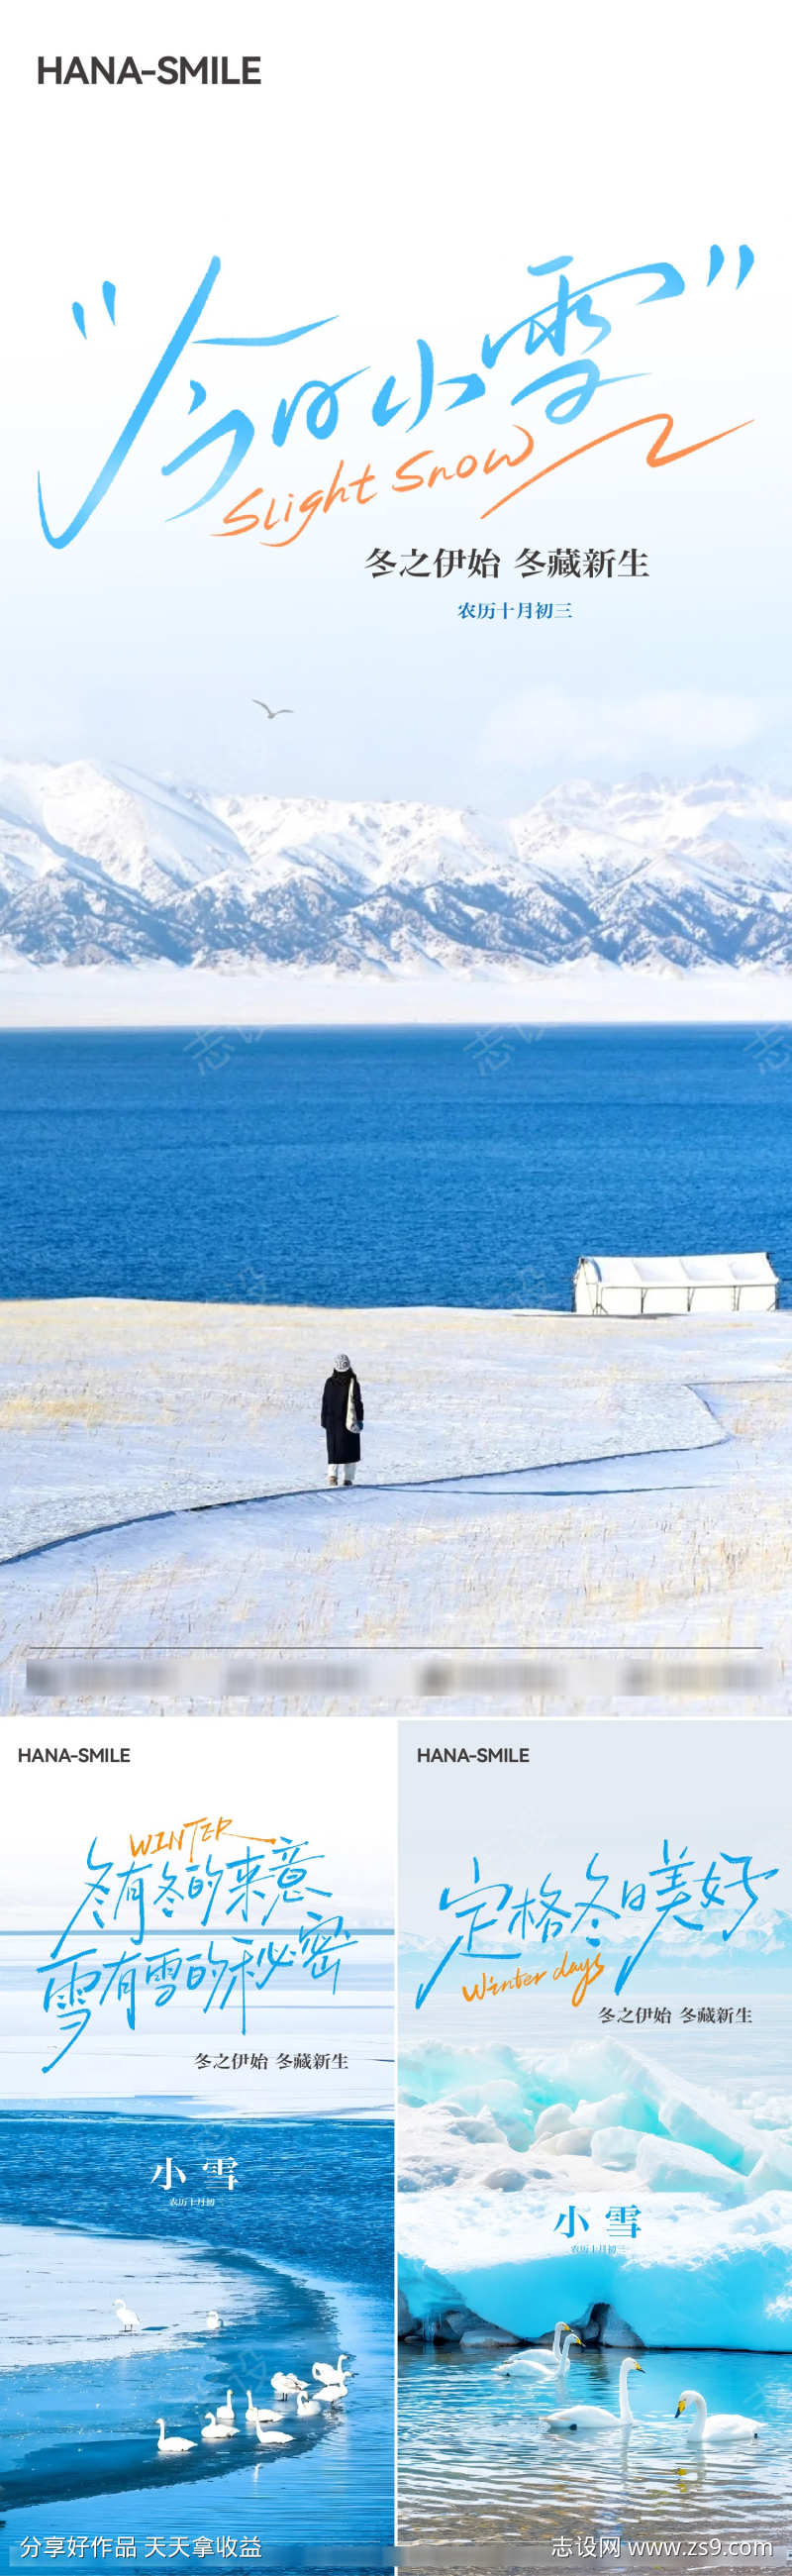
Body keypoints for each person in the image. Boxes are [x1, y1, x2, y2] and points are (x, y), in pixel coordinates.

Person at [321, 1352, 363, 1487]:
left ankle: (332, 1477)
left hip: (332, 1423)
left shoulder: (329, 1382)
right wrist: (360, 1419)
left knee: (333, 1451)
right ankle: (348, 1479)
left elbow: (325, 1402)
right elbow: (358, 1402)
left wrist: (324, 1421)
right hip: (349, 1422)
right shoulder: (353, 1382)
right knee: (350, 1451)